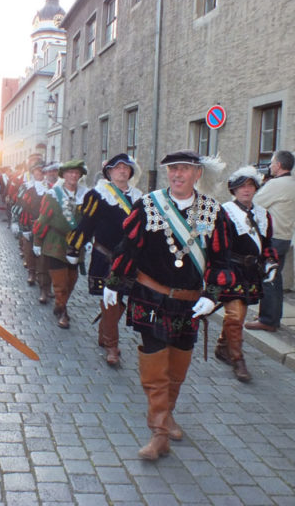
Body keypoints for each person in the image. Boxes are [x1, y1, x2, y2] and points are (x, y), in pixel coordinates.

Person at [105, 150, 233, 460]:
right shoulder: (148, 205)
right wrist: (115, 283)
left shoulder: (213, 212)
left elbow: (222, 260)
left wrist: (212, 295)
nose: (177, 174)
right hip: (150, 297)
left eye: (184, 170)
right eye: (172, 169)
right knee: (155, 364)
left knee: (177, 367)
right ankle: (159, 432)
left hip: (189, 303)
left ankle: (168, 413)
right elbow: (129, 247)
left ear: (197, 174)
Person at [67, 153, 142, 365]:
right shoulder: (98, 194)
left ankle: (104, 334)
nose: (122, 171)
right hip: (105, 257)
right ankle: (112, 346)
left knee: (119, 304)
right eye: (117, 168)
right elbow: (87, 223)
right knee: (111, 300)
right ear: (109, 172)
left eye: (126, 168)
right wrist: (75, 248)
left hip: (129, 259)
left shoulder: (138, 197)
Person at [215, 167, 278, 382]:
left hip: (252, 272)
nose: (246, 190)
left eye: (250, 185)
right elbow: (218, 247)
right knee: (235, 316)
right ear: (233, 189)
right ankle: (238, 359)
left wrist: (270, 262)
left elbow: (267, 242)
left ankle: (223, 345)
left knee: (237, 315)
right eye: (242, 186)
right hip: (232, 269)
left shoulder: (262, 214)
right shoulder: (225, 213)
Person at [32, 159, 88, 329]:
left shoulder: (85, 195)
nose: (73, 175)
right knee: (60, 281)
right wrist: (37, 241)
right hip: (55, 242)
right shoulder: (53, 194)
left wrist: (89, 240)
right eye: (70, 172)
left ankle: (60, 304)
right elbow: (43, 219)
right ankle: (63, 311)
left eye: (77, 173)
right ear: (63, 175)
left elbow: (90, 220)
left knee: (72, 279)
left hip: (75, 244)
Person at [245, 150, 295, 332]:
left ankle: (268, 320)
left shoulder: (276, 185)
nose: (270, 166)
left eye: (272, 163)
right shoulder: (291, 183)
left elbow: (255, 203)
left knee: (268, 278)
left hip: (274, 238)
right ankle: (272, 316)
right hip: (284, 237)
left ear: (279, 165)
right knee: (275, 278)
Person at [16, 159, 47, 294]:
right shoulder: (27, 187)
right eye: (37, 172)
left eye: (42, 172)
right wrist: (24, 227)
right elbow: (22, 207)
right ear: (33, 173)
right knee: (29, 250)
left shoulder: (51, 188)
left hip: (46, 225)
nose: (39, 174)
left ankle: (44, 282)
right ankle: (31, 273)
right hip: (30, 223)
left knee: (44, 254)